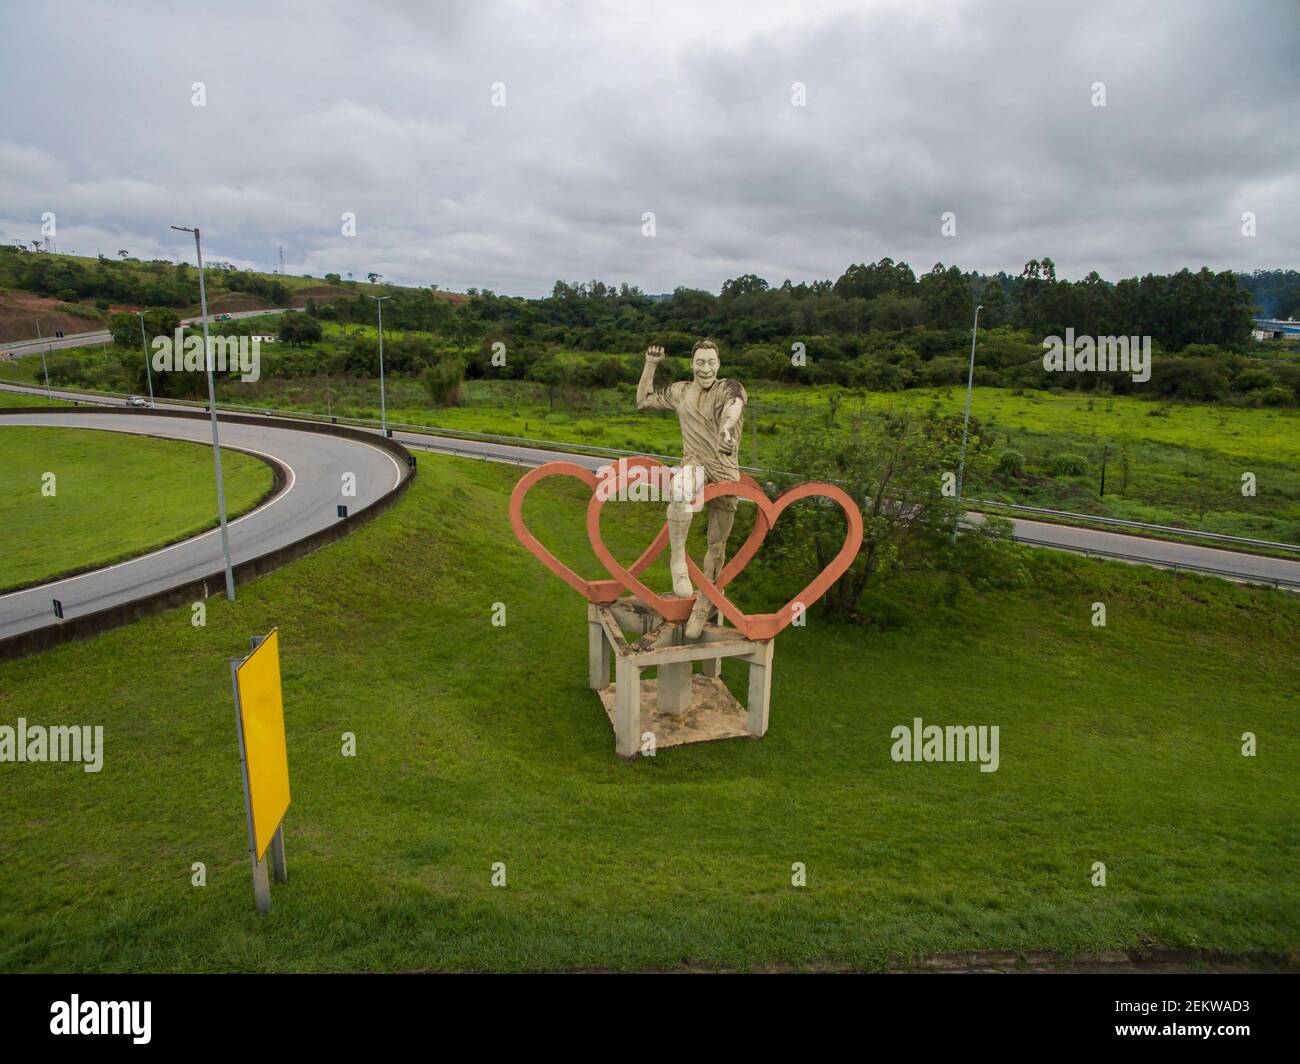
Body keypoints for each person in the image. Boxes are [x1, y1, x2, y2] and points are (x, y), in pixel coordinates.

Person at [636, 338, 746, 639]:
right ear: (691, 364)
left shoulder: (730, 388)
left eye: (711, 362)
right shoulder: (681, 391)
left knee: (717, 545)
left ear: (719, 364)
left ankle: (703, 605)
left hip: (724, 470)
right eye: (700, 362)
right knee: (681, 488)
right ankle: (678, 561)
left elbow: (733, 409)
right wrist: (650, 364)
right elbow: (643, 400)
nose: (706, 368)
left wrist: (726, 430)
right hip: (695, 462)